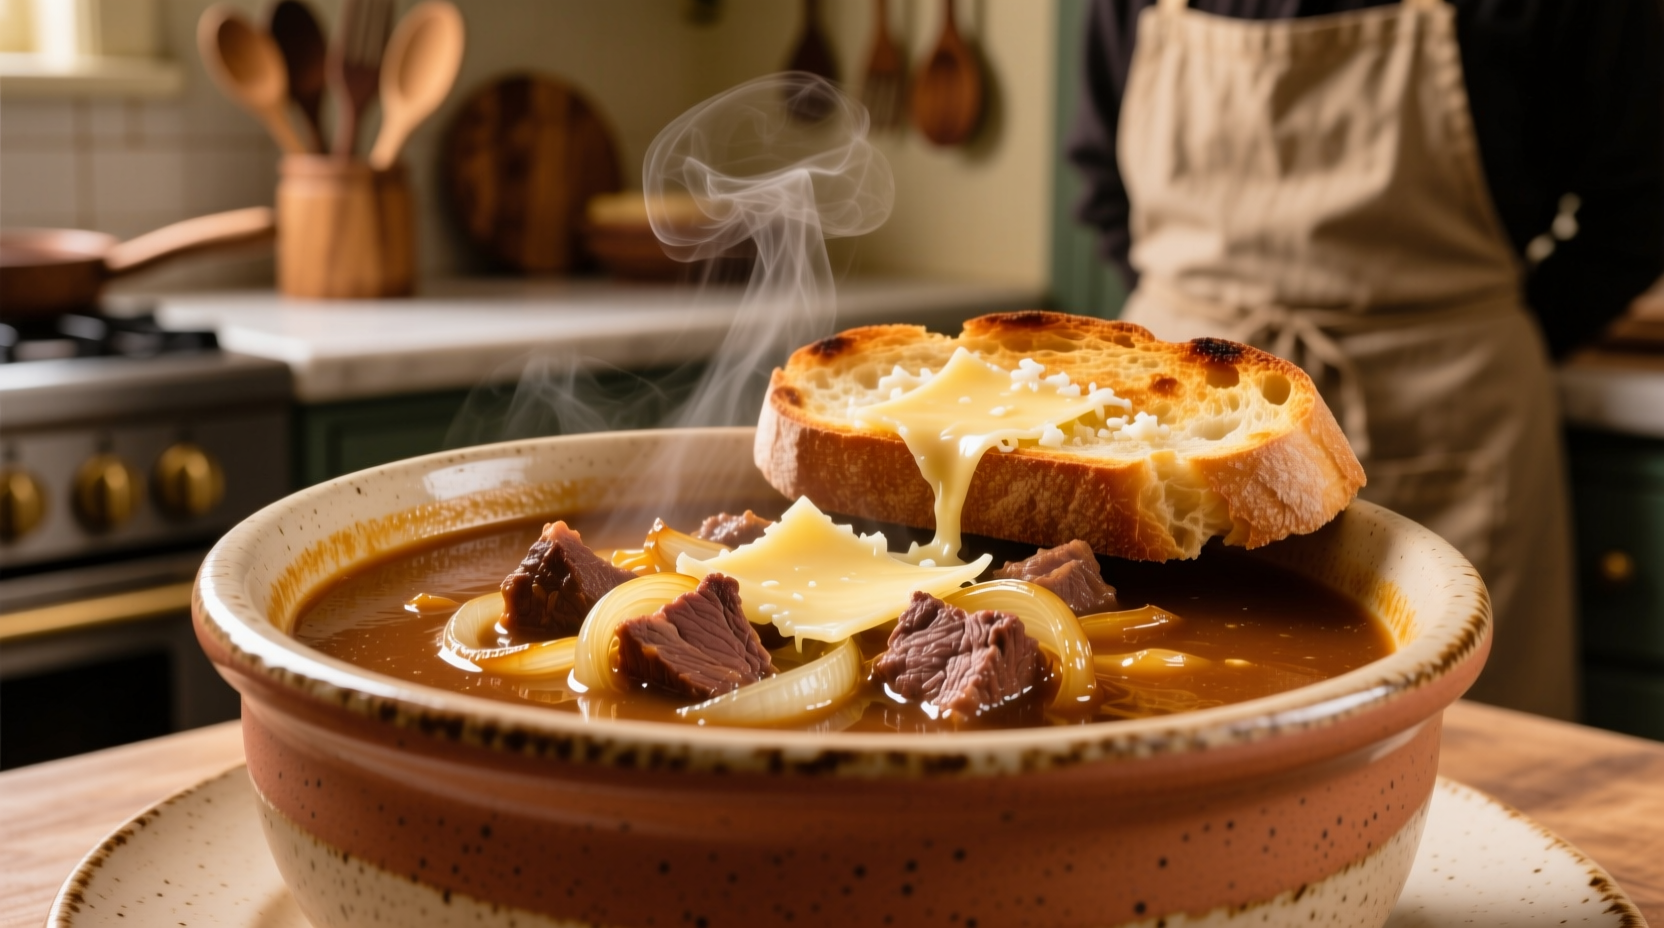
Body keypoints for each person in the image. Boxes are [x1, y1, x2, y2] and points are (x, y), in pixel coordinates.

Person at [1067, 0, 1664, 720]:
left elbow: (1644, 200)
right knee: (1170, 726)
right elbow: (1101, 184)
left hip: (1448, 406)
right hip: (1176, 434)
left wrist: (1486, 333)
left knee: (1476, 757)